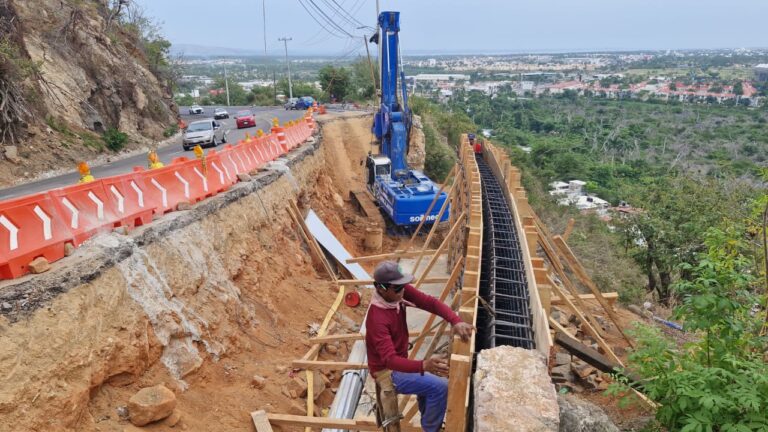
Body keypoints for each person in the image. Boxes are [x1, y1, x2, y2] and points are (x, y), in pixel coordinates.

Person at [365, 261, 474, 432]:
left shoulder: (397, 292)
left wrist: (455, 320)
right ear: (381, 288)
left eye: (404, 286)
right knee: (440, 387)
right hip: (387, 372)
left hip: (399, 361)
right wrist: (423, 365)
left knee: (430, 386)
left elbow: (430, 302)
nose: (403, 291)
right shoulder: (377, 319)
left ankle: (428, 425)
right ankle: (431, 429)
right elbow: (390, 360)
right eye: (398, 288)